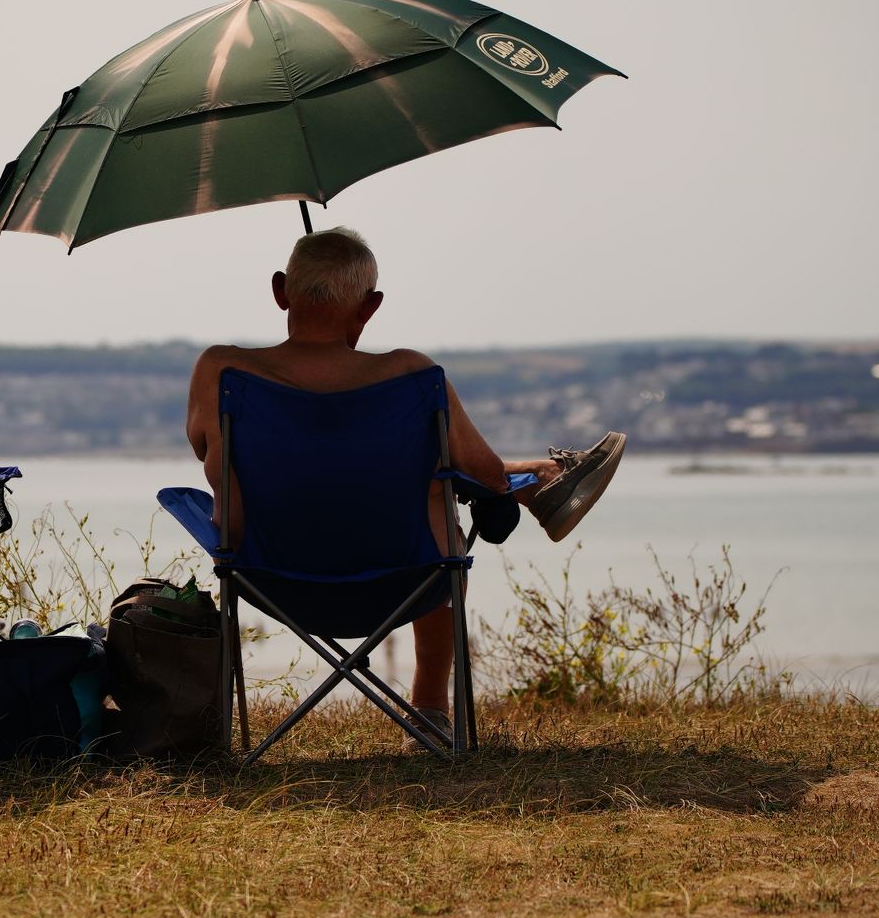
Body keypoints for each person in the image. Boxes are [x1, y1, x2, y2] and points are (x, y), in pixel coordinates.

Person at [183, 227, 625, 739]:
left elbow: (204, 450)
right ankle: (432, 705)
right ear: (370, 308)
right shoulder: (412, 375)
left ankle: (542, 482)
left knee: (418, 481)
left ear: (281, 291)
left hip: (268, 577)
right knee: (435, 490)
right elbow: (482, 472)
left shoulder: (221, 371)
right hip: (406, 580)